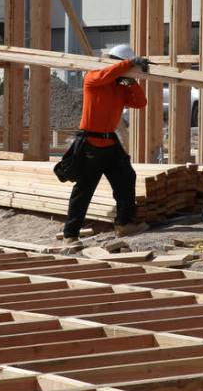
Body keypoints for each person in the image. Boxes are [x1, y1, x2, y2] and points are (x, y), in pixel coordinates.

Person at [63, 44, 149, 247]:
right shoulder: (93, 78)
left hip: (110, 141)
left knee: (127, 178)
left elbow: (140, 102)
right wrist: (129, 65)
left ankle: (123, 223)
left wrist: (131, 81)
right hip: (90, 142)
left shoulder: (120, 86)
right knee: (84, 188)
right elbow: (105, 75)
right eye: (124, 67)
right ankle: (70, 235)